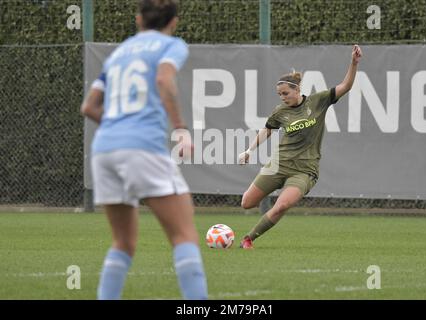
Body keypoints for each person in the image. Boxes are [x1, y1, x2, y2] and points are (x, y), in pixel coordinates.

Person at [80, 0, 207, 299]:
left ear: (138, 20)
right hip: (142, 148)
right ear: (173, 22)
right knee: (184, 235)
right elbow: (164, 78)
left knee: (122, 243)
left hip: (104, 150)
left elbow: (89, 107)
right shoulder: (171, 44)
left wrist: (117, 127)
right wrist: (180, 129)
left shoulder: (119, 53)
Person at [238, 45, 363, 249]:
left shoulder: (318, 101)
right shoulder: (280, 111)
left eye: (286, 93)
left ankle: (248, 238)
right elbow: (268, 129)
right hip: (278, 165)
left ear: (297, 89)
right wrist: (249, 150)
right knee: (247, 203)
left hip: (304, 170)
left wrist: (354, 63)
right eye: (279, 94)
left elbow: (345, 86)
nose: (282, 97)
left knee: (282, 205)